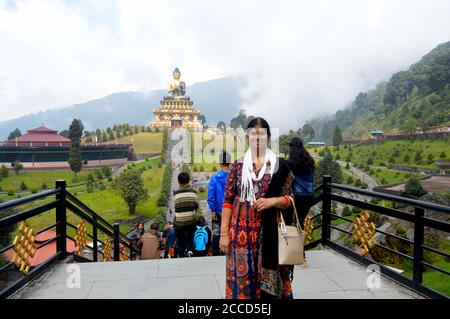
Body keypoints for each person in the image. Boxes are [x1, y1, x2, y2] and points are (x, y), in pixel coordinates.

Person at [219, 117, 295, 299]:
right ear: (247, 137)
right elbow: (228, 201)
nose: (257, 137)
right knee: (242, 280)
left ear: (268, 136)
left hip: (269, 234)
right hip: (240, 235)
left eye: (262, 133)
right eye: (253, 133)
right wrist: (223, 234)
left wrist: (273, 201)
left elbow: (292, 199)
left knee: (269, 283)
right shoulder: (237, 167)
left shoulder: (279, 166)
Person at [286, 137, 315, 267]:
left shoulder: (290, 162)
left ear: (291, 147)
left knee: (292, 224)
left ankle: (298, 255)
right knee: (300, 223)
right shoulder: (309, 160)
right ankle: (300, 256)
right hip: (309, 196)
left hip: (297, 196)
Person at [207, 151, 231, 255]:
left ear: (220, 162)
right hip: (231, 210)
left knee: (216, 233)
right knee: (230, 231)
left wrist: (213, 210)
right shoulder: (233, 177)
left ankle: (216, 253)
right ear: (229, 162)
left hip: (218, 210)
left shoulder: (214, 178)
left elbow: (211, 196)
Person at [173, 172, 199, 257]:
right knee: (190, 238)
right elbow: (196, 206)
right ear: (188, 181)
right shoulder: (193, 192)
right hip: (191, 222)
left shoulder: (176, 194)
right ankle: (190, 251)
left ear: (178, 181)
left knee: (180, 241)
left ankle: (181, 255)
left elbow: (176, 206)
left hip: (179, 223)